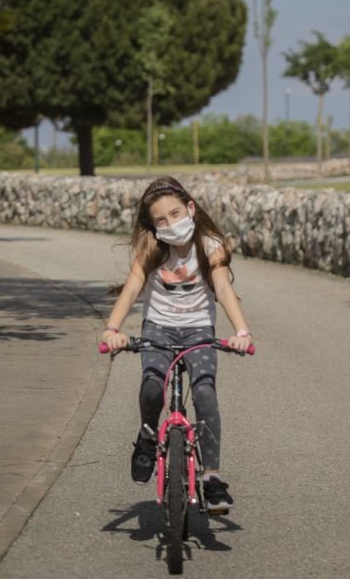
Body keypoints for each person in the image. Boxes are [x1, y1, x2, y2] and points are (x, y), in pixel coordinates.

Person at [101, 176, 253, 512]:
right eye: (160, 219)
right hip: (158, 328)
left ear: (190, 208)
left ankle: (212, 478)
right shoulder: (152, 247)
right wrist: (113, 329)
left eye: (175, 213)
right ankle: (146, 435)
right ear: (152, 225)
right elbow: (131, 288)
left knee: (204, 392)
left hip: (199, 329)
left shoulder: (210, 244)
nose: (170, 223)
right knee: (153, 385)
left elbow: (224, 290)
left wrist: (241, 333)